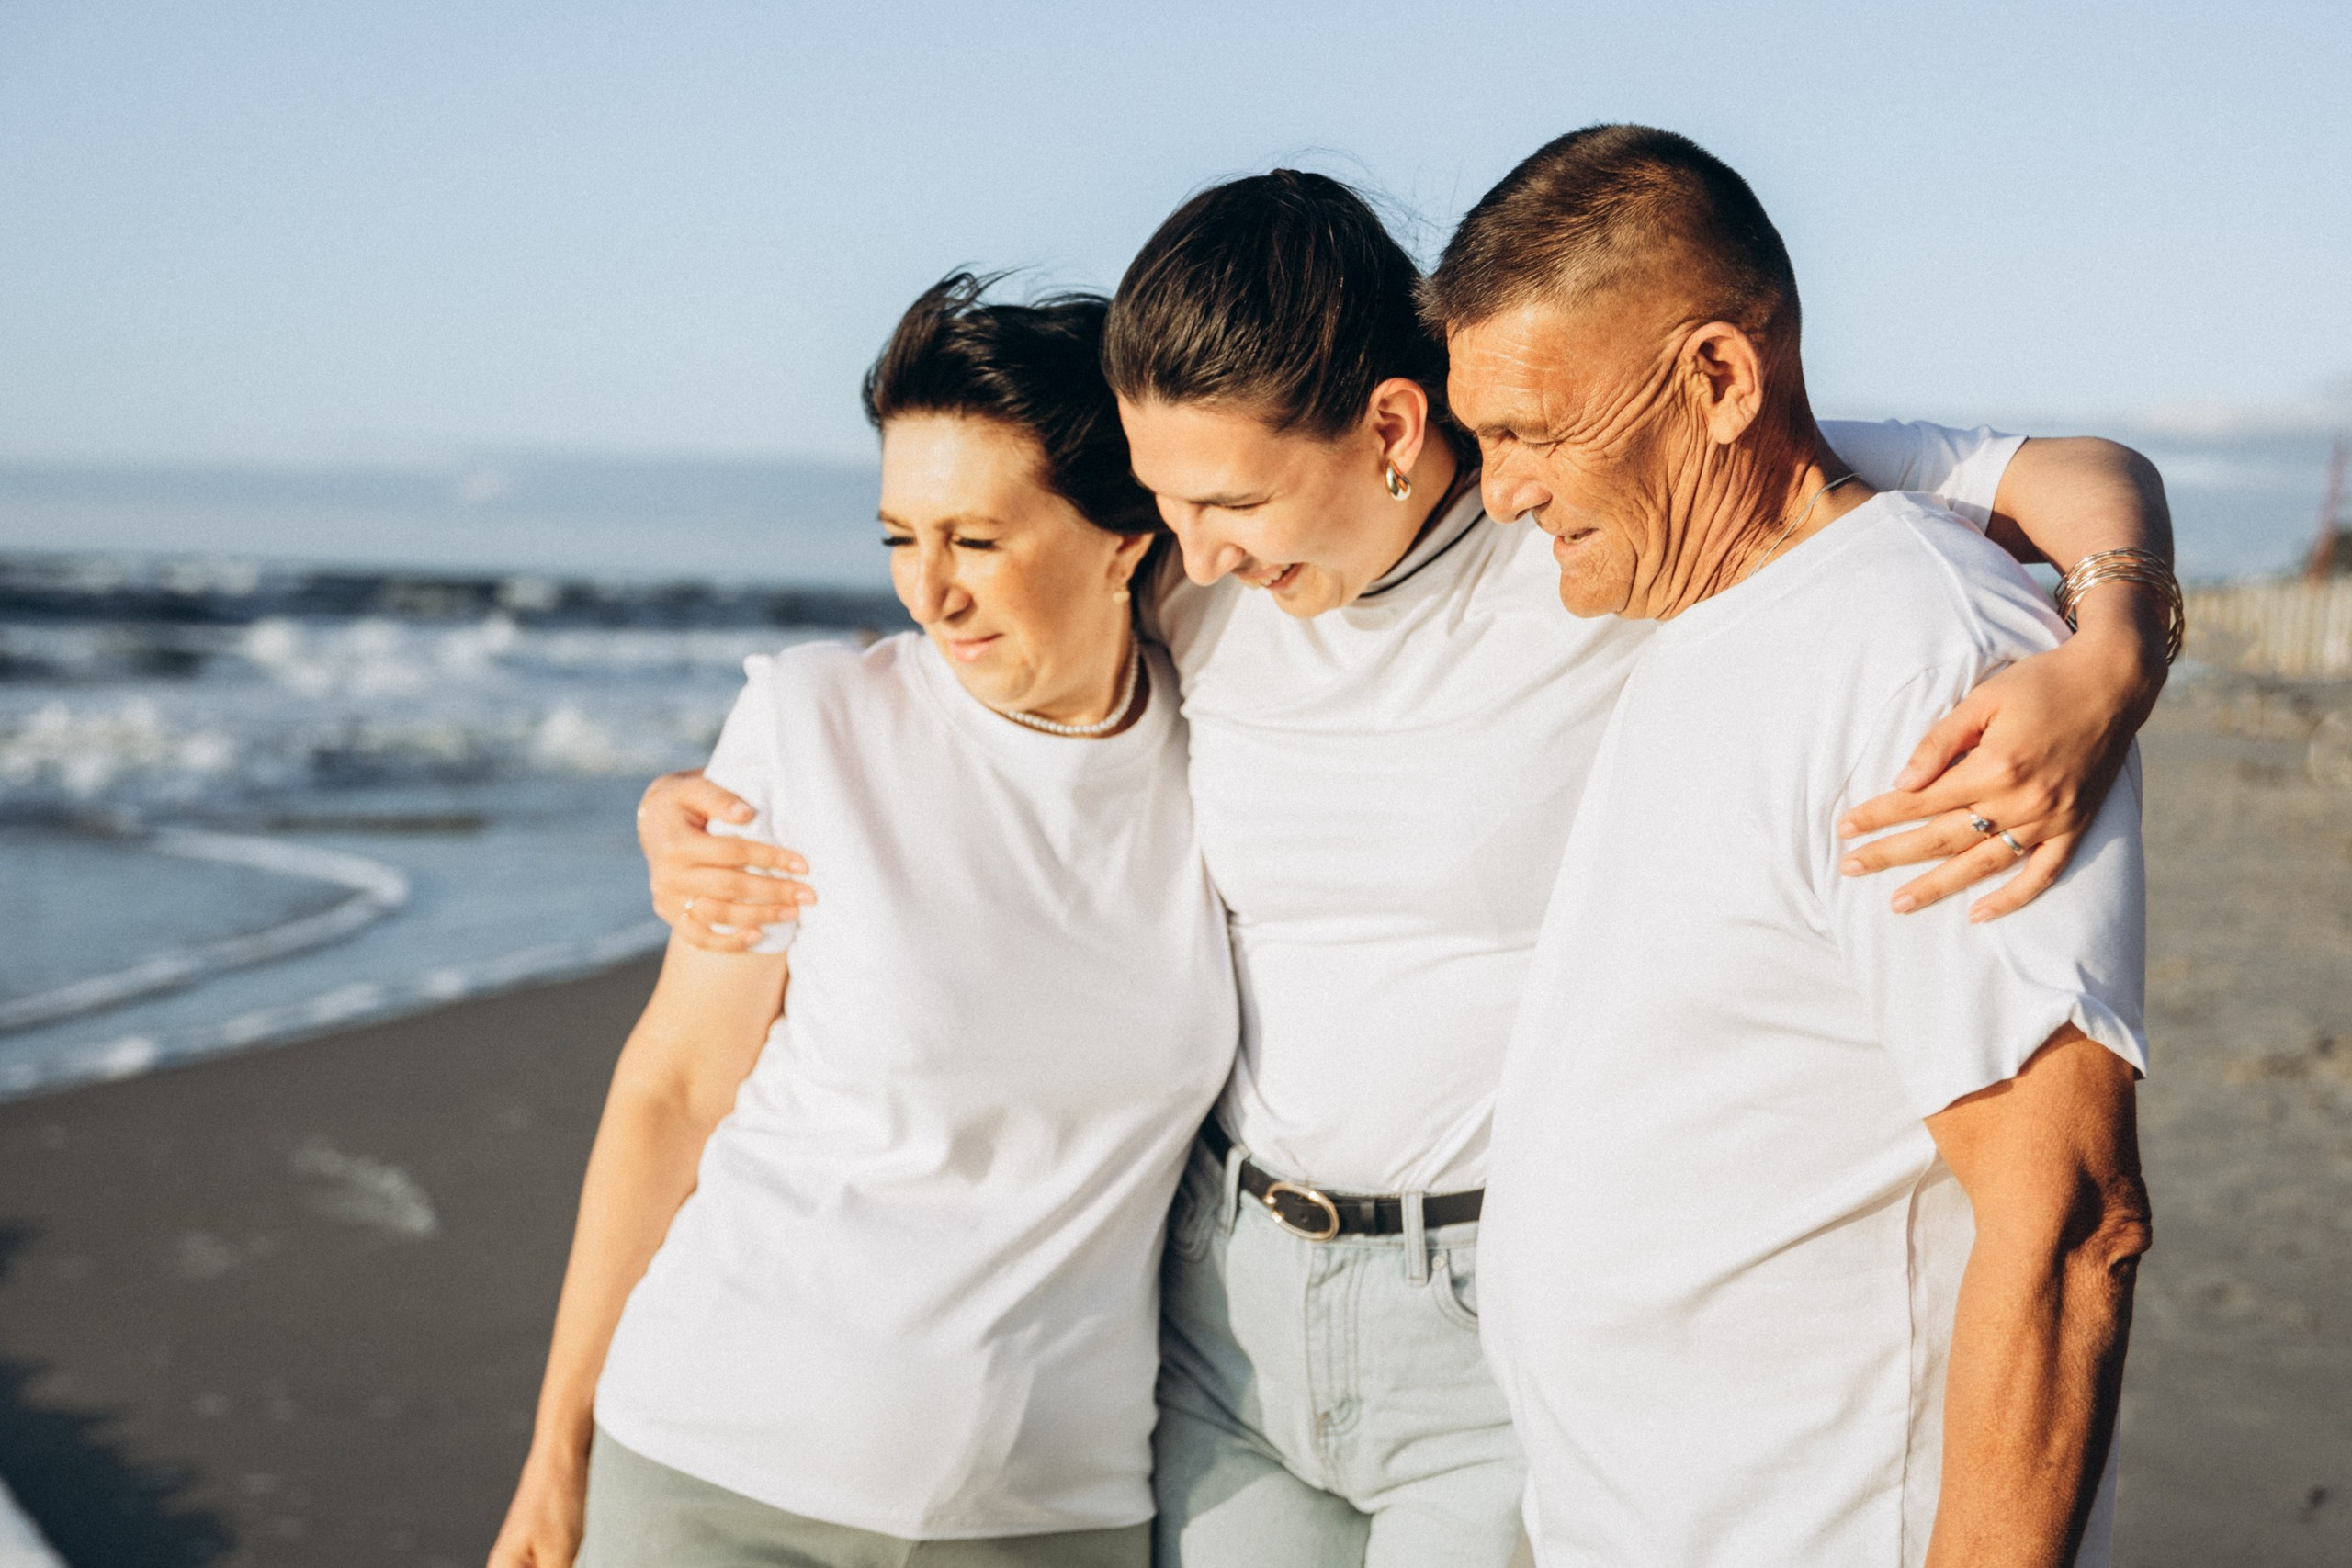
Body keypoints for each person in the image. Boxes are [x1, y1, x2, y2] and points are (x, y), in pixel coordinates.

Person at [637, 175, 2174, 1567]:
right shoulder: (1198, 583)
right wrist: (725, 786)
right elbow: (983, 669)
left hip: (1479, 1311)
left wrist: (2115, 636)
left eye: (1233, 504)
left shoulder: (1583, 520)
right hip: (1229, 1294)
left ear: (1388, 429)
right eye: (1165, 504)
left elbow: (2028, 476)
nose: (1193, 548)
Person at [1433, 125, 2154, 1567]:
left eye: (1531, 434)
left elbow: (2069, 1225)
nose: (1501, 491)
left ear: (1718, 379)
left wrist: (2124, 627)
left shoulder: (1925, 659)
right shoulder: (1707, 604)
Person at [488, 275, 1236, 1568]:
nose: (929, 592)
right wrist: (556, 1455)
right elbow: (675, 1088)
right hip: (714, 1475)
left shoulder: (1229, 758)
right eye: (900, 537)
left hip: (1049, 1516)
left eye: (978, 540)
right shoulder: (813, 725)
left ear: (1127, 537)